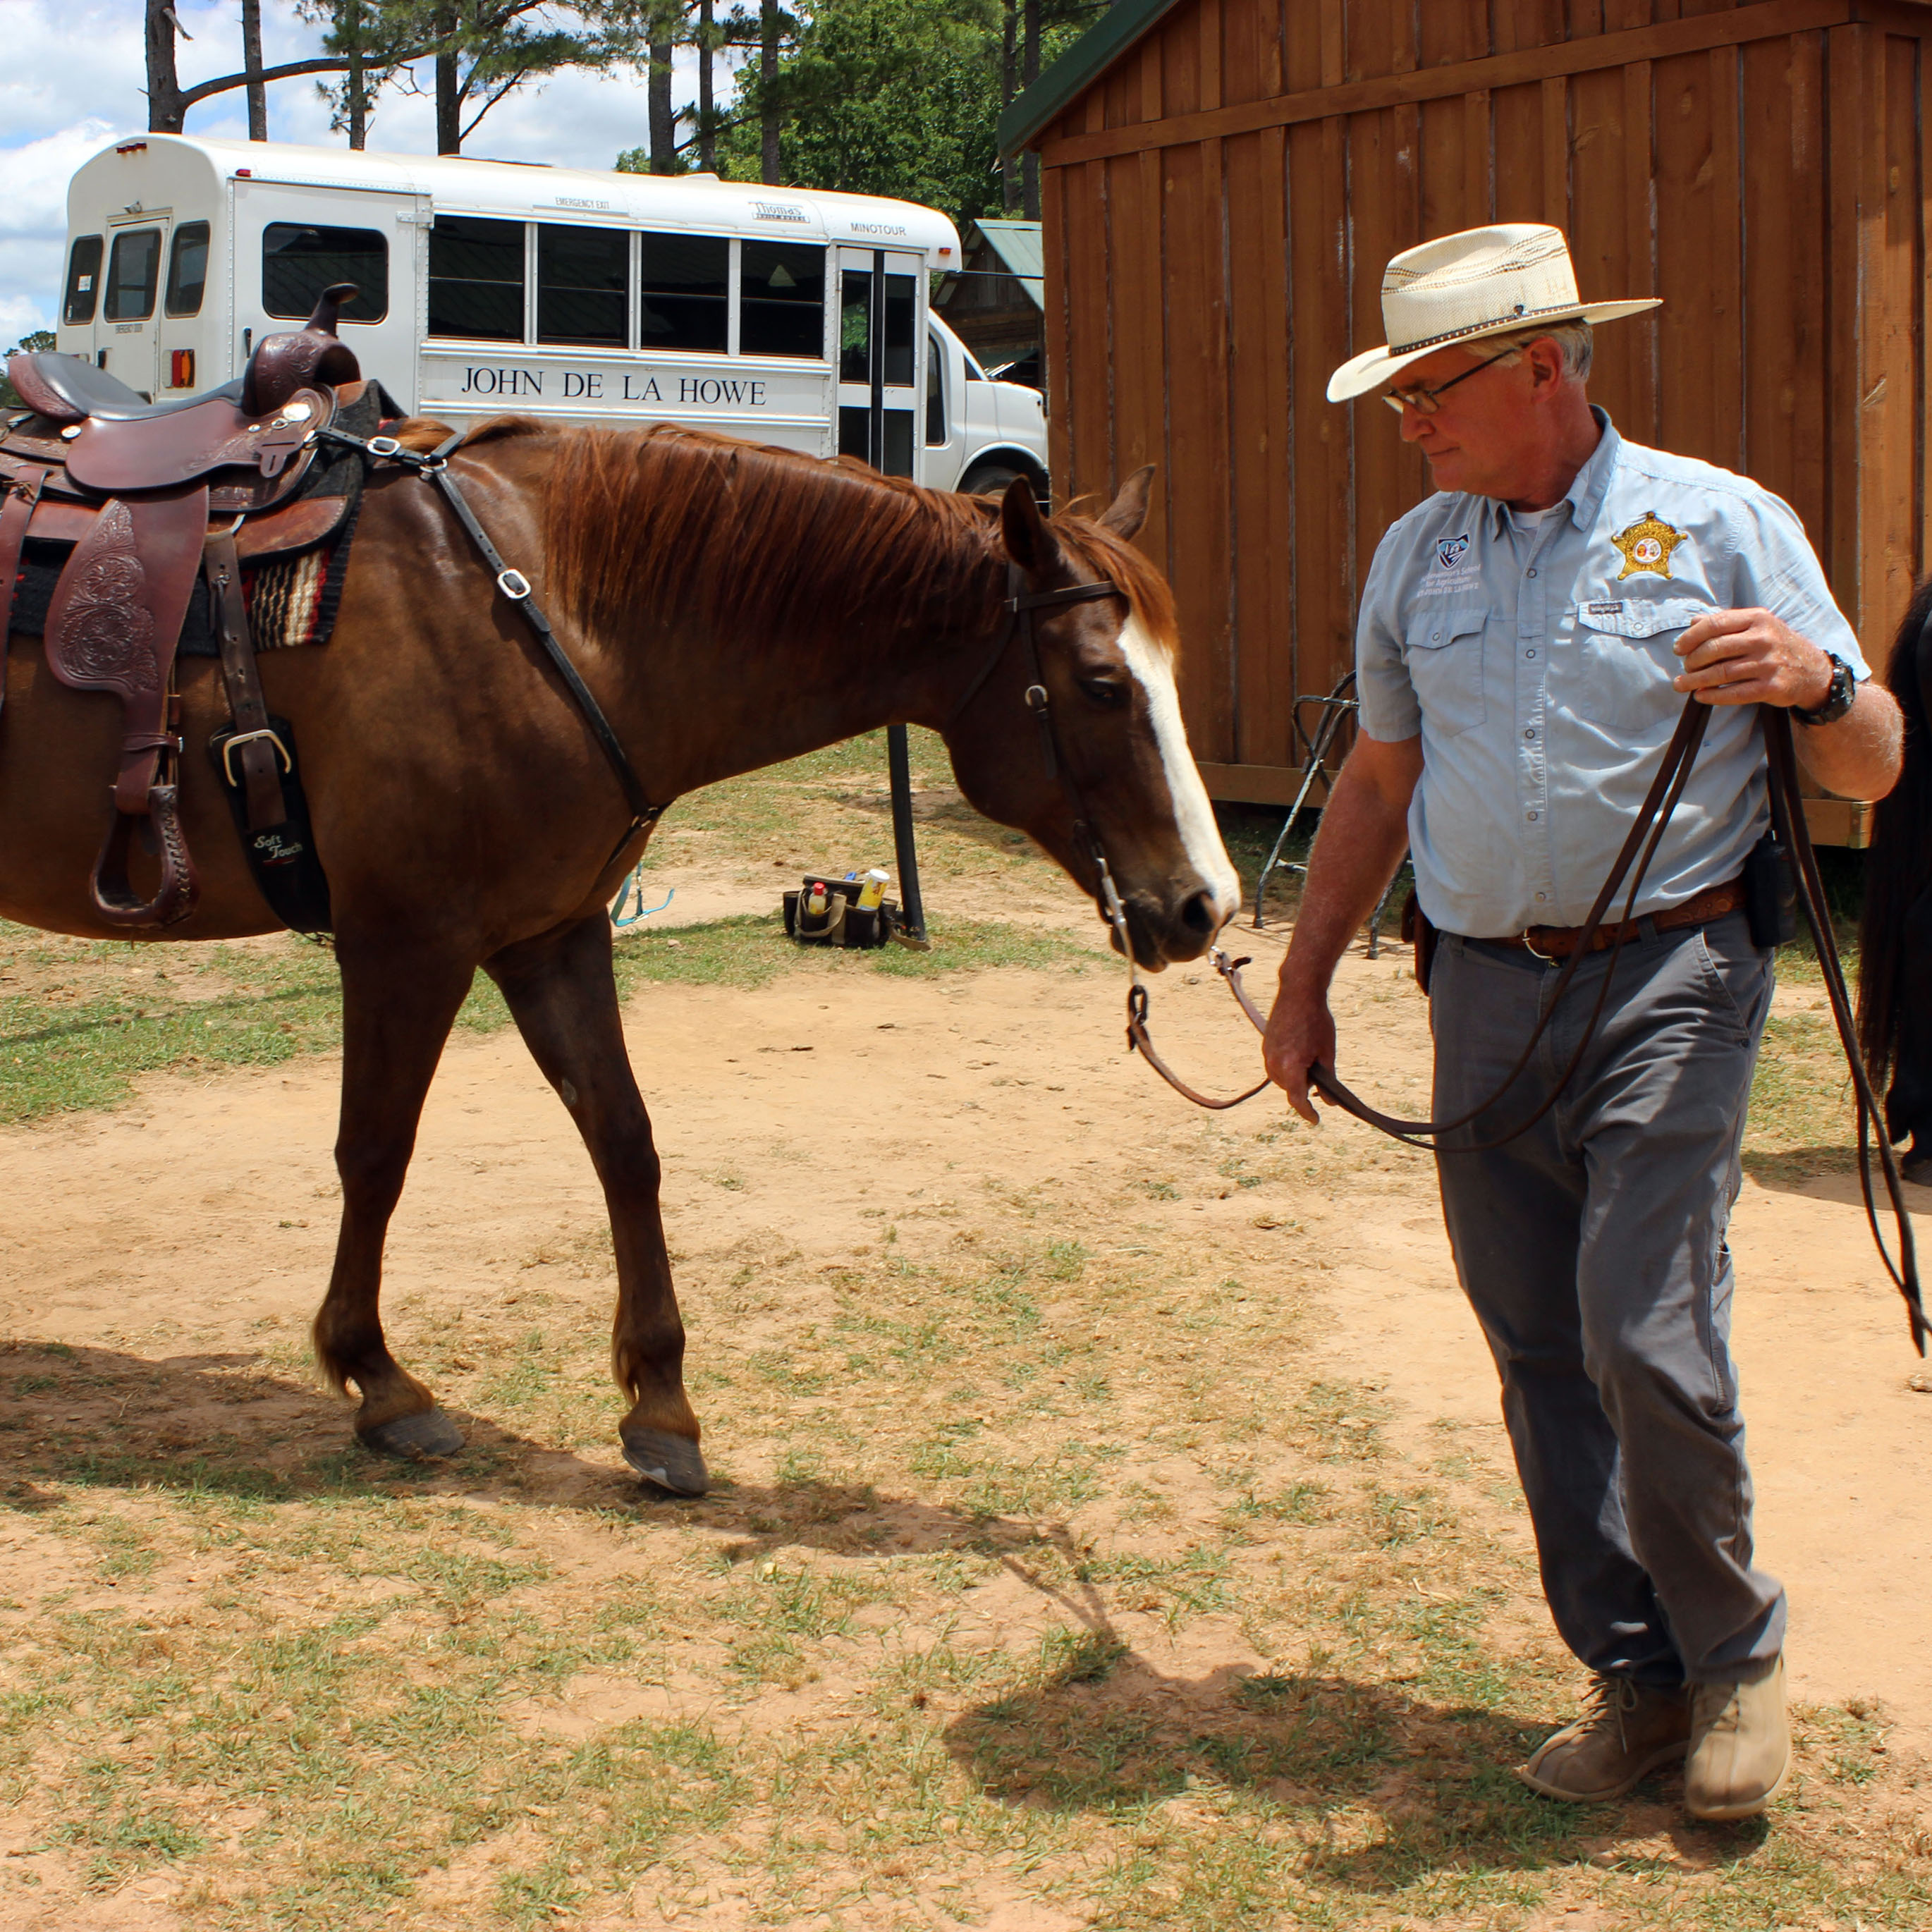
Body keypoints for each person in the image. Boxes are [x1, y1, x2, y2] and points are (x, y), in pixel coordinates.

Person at [1262, 224, 1902, 1822]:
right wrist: (1301, 978)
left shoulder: (1720, 523)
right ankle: (1633, 1673)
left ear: (1538, 366)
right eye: (1398, 393)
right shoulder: (1417, 557)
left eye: (1429, 389)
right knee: (1537, 1343)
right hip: (1477, 986)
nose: (1408, 420)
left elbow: (1874, 767)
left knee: (1641, 1324)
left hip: (1673, 976)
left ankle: (1733, 1658)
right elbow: (1378, 780)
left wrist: (1814, 683)